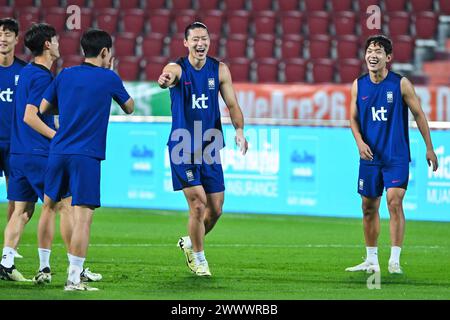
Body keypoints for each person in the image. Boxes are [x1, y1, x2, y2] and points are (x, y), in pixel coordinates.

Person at [39, 29, 134, 291]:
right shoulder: (109, 77)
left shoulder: (66, 74)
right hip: (86, 155)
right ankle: (73, 278)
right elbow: (130, 107)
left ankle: (44, 266)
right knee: (83, 218)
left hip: (58, 152)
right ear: (105, 52)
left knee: (50, 208)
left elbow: (43, 108)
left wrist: (72, 106)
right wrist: (111, 74)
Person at [158, 22, 248, 277]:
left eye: (205, 39)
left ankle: (190, 242)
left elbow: (232, 104)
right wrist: (164, 80)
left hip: (209, 145)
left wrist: (239, 130)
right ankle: (199, 259)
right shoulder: (178, 68)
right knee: (198, 204)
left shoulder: (219, 70)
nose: (201, 43)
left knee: (216, 208)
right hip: (182, 147)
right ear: (185, 43)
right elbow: (167, 76)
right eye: (195, 39)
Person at [347, 35, 438, 274]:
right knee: (368, 206)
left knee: (394, 201)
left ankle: (394, 260)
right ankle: (371, 259)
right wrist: (359, 142)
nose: (372, 55)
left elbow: (419, 114)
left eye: (378, 51)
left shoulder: (400, 84)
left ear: (388, 58)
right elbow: (353, 119)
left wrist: (429, 147)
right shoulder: (359, 84)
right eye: (369, 50)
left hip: (395, 156)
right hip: (369, 157)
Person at [0, 18, 27, 259]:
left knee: (15, 196)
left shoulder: (24, 71)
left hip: (14, 144)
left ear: (16, 39)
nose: (3, 38)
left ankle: (8, 250)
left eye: (8, 34)